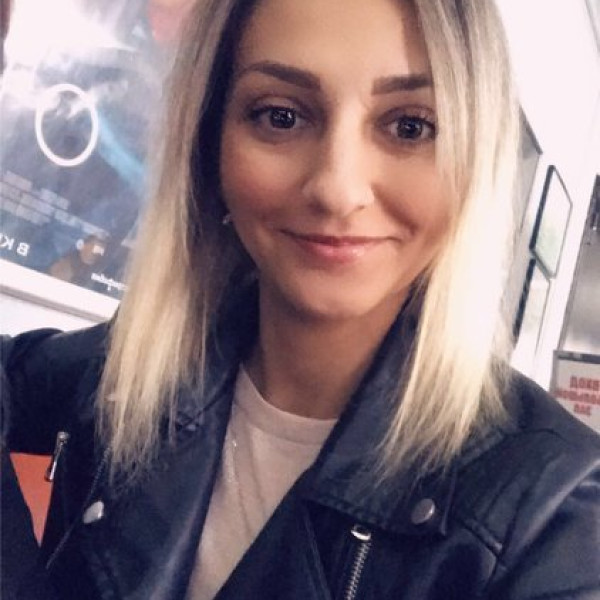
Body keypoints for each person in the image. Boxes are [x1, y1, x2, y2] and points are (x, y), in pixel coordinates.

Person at [2, 0, 599, 598]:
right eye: (281, 116)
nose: (337, 189)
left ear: (475, 161)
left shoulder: (554, 518)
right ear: (209, 146)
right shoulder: (127, 375)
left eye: (410, 127)